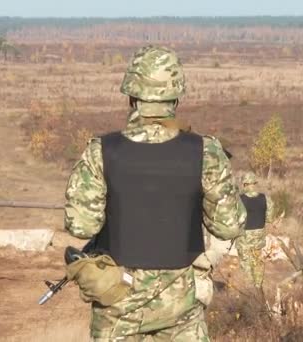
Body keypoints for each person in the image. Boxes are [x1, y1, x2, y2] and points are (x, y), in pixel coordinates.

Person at [64, 45, 247, 341]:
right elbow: (228, 226)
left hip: (118, 302)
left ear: (131, 95)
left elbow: (81, 225)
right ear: (176, 95)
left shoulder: (101, 151)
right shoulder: (206, 151)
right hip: (182, 307)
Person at [235, 172, 277, 289]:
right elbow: (269, 218)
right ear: (255, 183)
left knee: (245, 263)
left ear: (244, 184)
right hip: (259, 235)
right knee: (258, 262)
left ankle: (249, 291)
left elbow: (234, 219)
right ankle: (258, 288)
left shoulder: (239, 200)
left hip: (244, 237)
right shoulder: (266, 198)